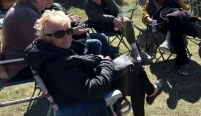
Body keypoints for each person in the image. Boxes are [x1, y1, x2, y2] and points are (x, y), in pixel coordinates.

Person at [24, 10, 163, 116]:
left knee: (135, 76)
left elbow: (75, 62)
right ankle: (151, 90)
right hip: (87, 101)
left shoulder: (45, 51)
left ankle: (151, 91)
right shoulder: (59, 64)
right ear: (46, 37)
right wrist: (106, 65)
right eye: (60, 34)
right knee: (132, 66)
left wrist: (88, 59)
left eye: (69, 31)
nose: (67, 37)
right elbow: (93, 91)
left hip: (78, 89)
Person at [84, 0, 152, 63]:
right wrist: (113, 19)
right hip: (102, 26)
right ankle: (138, 51)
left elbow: (118, 11)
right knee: (126, 26)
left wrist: (118, 20)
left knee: (126, 21)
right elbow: (97, 17)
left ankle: (135, 50)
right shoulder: (87, 5)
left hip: (116, 23)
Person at [143, 0, 197, 76]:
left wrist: (178, 10)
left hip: (175, 24)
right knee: (176, 27)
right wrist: (150, 20)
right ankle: (183, 62)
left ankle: (168, 42)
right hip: (162, 24)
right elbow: (145, 11)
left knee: (175, 20)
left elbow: (185, 9)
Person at [1, 0, 51, 81]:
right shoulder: (27, 13)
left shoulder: (22, 8)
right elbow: (43, 42)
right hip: (21, 66)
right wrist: (68, 32)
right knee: (67, 62)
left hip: (20, 62)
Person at [44, 0, 109, 56]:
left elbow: (71, 17)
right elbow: (58, 30)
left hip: (77, 32)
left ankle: (107, 59)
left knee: (102, 36)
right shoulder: (45, 14)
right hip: (69, 37)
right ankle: (96, 62)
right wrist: (67, 20)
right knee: (96, 44)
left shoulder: (57, 6)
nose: (48, 0)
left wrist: (80, 25)